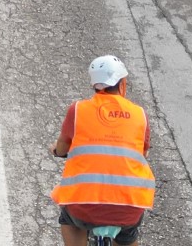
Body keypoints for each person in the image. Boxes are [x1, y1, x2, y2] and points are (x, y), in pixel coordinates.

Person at [49, 54, 154, 245]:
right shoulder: (140, 115)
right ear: (122, 83)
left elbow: (63, 146)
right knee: (128, 233)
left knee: (69, 219)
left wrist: (57, 151)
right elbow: (143, 154)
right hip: (129, 207)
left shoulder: (78, 110)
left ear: (94, 85)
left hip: (83, 208)